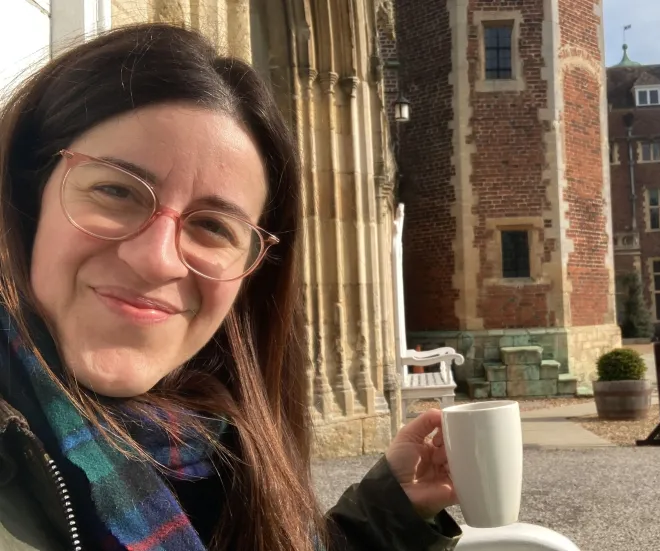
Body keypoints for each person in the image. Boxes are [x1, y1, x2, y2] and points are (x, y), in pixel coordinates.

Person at [0, 22, 460, 551]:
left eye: (213, 226)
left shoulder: (215, 449)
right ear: (27, 196)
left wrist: (387, 516)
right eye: (114, 190)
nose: (156, 259)